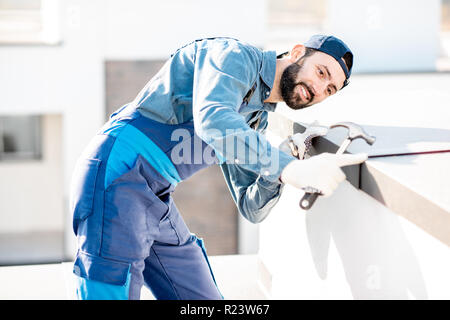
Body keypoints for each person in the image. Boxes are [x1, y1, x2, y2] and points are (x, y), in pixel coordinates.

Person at [70, 35, 367, 300]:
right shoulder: (234, 57)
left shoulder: (255, 120)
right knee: (110, 289)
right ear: (297, 52)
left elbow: (251, 207)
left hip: (155, 195)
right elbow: (214, 120)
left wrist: (279, 166)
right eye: (320, 72)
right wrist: (288, 168)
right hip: (117, 173)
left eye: (330, 89)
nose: (319, 89)